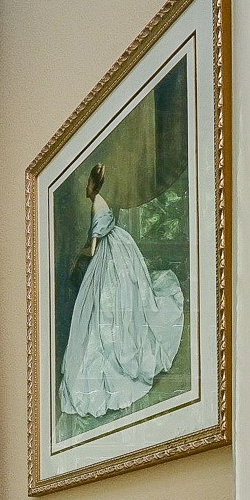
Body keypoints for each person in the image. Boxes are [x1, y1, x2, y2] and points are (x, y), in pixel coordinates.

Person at [58, 162, 186, 418]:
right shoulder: (101, 202)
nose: (86, 189)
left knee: (109, 307)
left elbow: (93, 249)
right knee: (111, 306)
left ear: (93, 185)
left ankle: (121, 358)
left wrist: (76, 258)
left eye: (88, 184)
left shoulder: (98, 203)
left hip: (111, 255)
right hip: (117, 249)